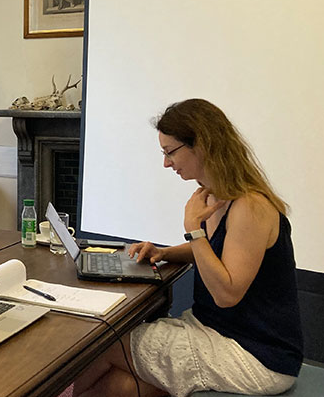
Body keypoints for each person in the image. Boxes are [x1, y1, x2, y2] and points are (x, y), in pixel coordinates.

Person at [73, 99, 302, 397]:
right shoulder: (215, 196)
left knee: (101, 342)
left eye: (170, 152)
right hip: (217, 331)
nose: (166, 163)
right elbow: (216, 252)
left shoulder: (250, 207)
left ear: (202, 145)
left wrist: (193, 229)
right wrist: (164, 253)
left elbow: (226, 294)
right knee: (120, 386)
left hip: (255, 354)